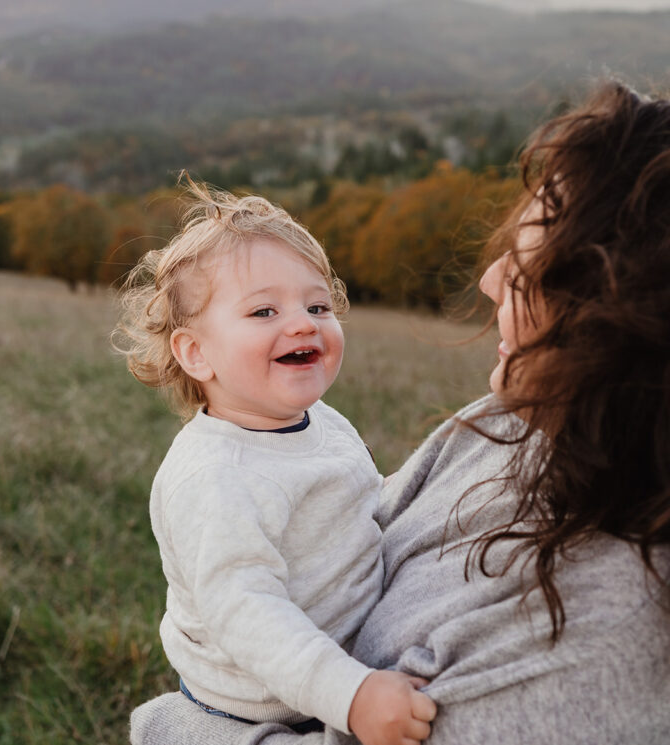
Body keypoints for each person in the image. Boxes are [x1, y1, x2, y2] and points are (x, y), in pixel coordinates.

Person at [128, 81, 670, 745]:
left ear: (638, 329)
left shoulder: (609, 646)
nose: (489, 279)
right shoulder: (530, 424)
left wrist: (174, 726)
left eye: (531, 268)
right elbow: (349, 542)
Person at [114, 183, 436, 745]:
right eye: (265, 310)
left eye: (317, 306)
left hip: (338, 655)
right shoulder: (215, 474)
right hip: (259, 703)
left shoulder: (324, 422)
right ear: (196, 353)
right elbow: (247, 613)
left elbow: (363, 505)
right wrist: (350, 695)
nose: (304, 323)